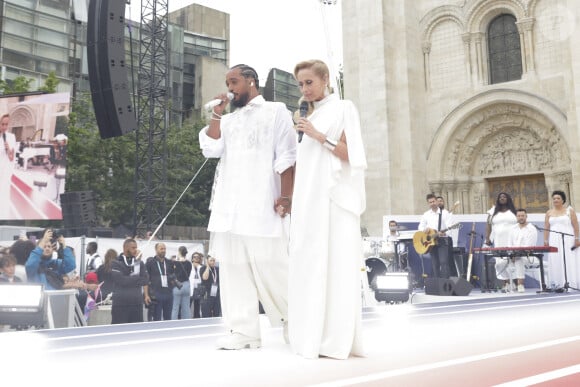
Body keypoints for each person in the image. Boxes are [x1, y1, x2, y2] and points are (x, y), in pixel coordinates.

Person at [199, 64, 296, 349]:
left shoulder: (276, 110)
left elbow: (288, 155)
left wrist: (286, 197)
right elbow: (210, 148)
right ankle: (244, 331)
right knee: (234, 268)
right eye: (228, 82)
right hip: (230, 206)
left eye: (235, 81)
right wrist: (217, 113)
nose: (230, 87)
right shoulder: (228, 120)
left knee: (273, 265)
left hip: (262, 203)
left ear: (251, 81)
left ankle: (299, 319)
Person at [288, 59, 367, 359]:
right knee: (308, 262)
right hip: (307, 200)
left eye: (309, 82)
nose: (304, 89)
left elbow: (352, 156)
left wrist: (318, 135)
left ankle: (335, 338)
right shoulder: (306, 115)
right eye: (300, 84)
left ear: (324, 79)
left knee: (334, 263)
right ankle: (310, 334)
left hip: (333, 200)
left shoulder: (343, 108)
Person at [495, 209, 538, 293]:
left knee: (519, 259)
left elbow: (529, 246)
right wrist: (512, 254)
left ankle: (520, 284)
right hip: (512, 255)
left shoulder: (531, 228)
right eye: (519, 216)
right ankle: (508, 283)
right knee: (499, 264)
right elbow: (509, 244)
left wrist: (516, 254)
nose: (521, 217)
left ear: (526, 216)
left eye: (522, 216)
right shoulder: (513, 228)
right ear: (516, 217)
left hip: (528, 256)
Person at [544, 190, 580, 288]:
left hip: (568, 238)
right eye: (554, 198)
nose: (555, 200)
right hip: (554, 239)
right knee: (556, 259)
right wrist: (546, 240)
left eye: (558, 198)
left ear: (563, 200)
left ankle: (571, 283)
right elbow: (546, 228)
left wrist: (577, 239)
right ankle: (558, 283)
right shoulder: (549, 212)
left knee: (568, 259)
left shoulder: (569, 211)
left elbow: (576, 226)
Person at [110, 239, 148, 324]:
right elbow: (121, 281)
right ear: (125, 248)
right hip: (120, 304)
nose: (136, 250)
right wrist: (137, 278)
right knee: (119, 331)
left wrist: (137, 264)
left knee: (136, 332)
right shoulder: (115, 263)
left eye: (136, 248)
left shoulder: (139, 263)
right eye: (133, 248)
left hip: (136, 304)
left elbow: (145, 280)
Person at [418, 193, 455, 279]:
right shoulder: (426, 214)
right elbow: (420, 226)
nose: (432, 203)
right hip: (431, 241)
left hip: (442, 240)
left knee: (444, 262)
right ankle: (437, 283)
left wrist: (445, 233)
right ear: (428, 203)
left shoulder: (445, 213)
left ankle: (445, 284)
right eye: (430, 202)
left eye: (433, 201)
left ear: (436, 201)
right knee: (435, 264)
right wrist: (424, 230)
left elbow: (450, 227)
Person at [144, 242, 175, 321]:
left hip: (168, 294)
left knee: (168, 319)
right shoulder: (150, 262)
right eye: (161, 249)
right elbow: (146, 280)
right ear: (156, 250)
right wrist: (146, 295)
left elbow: (173, 277)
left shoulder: (169, 262)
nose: (163, 250)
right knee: (156, 319)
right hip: (156, 295)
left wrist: (173, 283)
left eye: (164, 249)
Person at [0, 114, 15, 218]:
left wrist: (9, 150)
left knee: (3, 195)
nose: (4, 127)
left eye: (6, 124)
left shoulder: (11, 137)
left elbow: (11, 158)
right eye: (2, 124)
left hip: (5, 171)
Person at [171, 246, 192, 319]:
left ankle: (173, 324)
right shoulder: (189, 263)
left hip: (177, 285)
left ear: (179, 252)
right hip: (186, 285)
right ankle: (187, 324)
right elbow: (188, 274)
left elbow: (173, 274)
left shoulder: (174, 263)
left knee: (175, 307)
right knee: (186, 307)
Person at [189, 252, 205, 318]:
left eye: (198, 257)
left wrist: (198, 266)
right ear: (192, 259)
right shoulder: (189, 266)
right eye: (194, 257)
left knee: (197, 306)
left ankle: (196, 318)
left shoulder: (202, 267)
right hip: (191, 288)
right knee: (187, 305)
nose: (196, 258)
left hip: (199, 288)